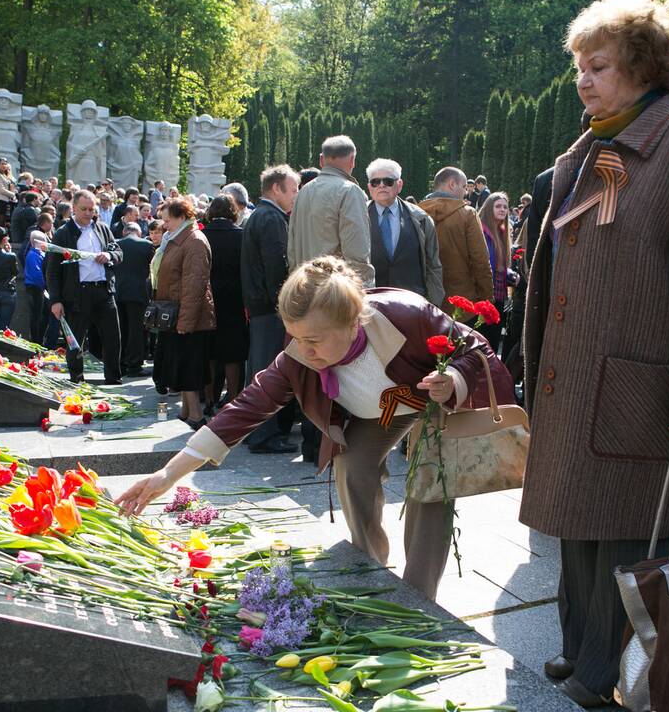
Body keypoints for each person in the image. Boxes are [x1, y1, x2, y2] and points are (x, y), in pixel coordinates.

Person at [520, 0, 669, 706]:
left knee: (624, 536)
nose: (583, 81)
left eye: (599, 66)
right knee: (575, 531)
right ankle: (580, 652)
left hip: (638, 391)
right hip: (577, 379)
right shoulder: (586, 149)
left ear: (646, 69)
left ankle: (614, 672)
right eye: (579, 68)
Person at [116, 257, 514, 599]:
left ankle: (417, 594)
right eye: (295, 336)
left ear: (353, 322)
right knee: (353, 465)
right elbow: (243, 409)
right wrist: (168, 474)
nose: (303, 351)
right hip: (375, 414)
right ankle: (370, 562)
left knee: (431, 480)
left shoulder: (404, 314)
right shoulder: (297, 358)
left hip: (431, 398)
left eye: (314, 340)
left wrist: (453, 382)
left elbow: (474, 348)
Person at [241, 165, 303, 456]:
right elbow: (277, 267)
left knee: (260, 370)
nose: (296, 195)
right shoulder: (271, 218)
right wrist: (287, 305)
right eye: (293, 189)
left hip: (261, 307)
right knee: (268, 372)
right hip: (271, 309)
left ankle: (252, 429)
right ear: (276, 189)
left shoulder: (262, 215)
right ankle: (263, 435)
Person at [45, 190, 124, 385]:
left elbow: (118, 251)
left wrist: (110, 256)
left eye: (92, 209)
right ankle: (76, 380)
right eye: (84, 209)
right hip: (76, 294)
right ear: (73, 208)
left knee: (113, 337)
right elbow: (52, 270)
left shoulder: (102, 228)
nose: (89, 213)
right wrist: (55, 300)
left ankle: (113, 377)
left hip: (104, 291)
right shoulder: (64, 233)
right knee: (75, 341)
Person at [149, 196, 215, 426]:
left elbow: (195, 285)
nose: (164, 225)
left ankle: (196, 415)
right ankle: (187, 412)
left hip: (188, 318)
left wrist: (185, 323)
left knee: (188, 368)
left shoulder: (194, 241)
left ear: (181, 217)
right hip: (175, 315)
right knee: (180, 366)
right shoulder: (176, 239)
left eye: (167, 220)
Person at [288, 135, 374, 285]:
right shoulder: (350, 192)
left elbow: (292, 247)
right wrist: (363, 291)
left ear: (321, 160)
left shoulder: (303, 192)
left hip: (303, 286)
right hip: (335, 291)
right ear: (352, 160)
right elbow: (357, 253)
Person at [365, 157, 444, 306]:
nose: (381, 186)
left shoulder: (421, 219)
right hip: (370, 306)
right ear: (369, 187)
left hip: (413, 305)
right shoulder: (357, 219)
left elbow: (433, 264)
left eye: (388, 181)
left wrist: (434, 302)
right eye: (376, 182)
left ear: (399, 185)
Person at [418, 167, 493, 320]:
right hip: (462, 306)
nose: (466, 192)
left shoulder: (415, 213)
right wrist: (486, 299)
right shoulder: (467, 214)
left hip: (424, 305)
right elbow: (481, 261)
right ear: (452, 184)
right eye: (464, 186)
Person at [201, 194, 249, 414]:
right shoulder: (241, 235)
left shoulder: (202, 235)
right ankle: (233, 399)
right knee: (233, 353)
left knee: (209, 352)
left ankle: (209, 399)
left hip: (207, 298)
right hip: (234, 299)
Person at [475, 192, 516, 354]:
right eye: (498, 206)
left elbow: (500, 265)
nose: (503, 209)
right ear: (488, 208)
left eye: (505, 207)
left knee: (492, 339)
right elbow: (485, 264)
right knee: (484, 339)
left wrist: (510, 275)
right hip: (486, 292)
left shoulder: (502, 230)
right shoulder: (482, 231)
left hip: (499, 291)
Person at [114, 221, 155, 378]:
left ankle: (121, 362)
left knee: (120, 330)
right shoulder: (146, 245)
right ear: (138, 232)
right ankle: (134, 365)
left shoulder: (115, 244)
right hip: (138, 293)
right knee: (136, 331)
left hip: (118, 292)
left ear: (124, 232)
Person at [24, 219, 55, 346]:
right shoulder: (33, 254)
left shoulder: (39, 253)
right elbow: (37, 274)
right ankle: (36, 341)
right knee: (37, 315)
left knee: (44, 315)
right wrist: (46, 285)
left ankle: (39, 339)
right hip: (36, 288)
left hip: (40, 287)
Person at [0, 158, 16, 227]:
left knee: (6, 223)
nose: (4, 165)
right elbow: (1, 189)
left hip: (8, 202)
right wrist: (13, 194)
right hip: (0, 201)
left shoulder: (6, 176)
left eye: (5, 163)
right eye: (2, 164)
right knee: (0, 222)